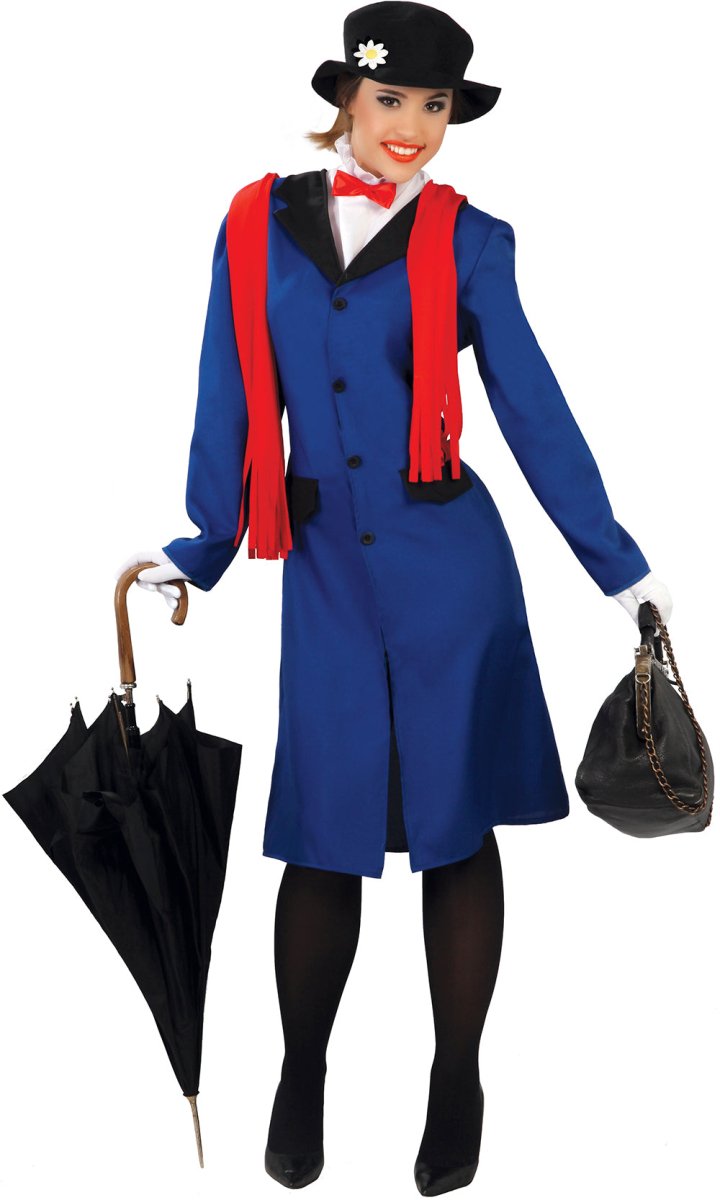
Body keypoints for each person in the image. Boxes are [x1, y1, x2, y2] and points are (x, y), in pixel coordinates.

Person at [116, 3, 673, 1193]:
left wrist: (618, 566)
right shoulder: (255, 226)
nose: (412, 126)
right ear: (346, 101)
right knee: (323, 834)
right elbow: (227, 392)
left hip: (449, 574)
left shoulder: (474, 242)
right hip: (324, 572)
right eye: (391, 100)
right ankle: (301, 1072)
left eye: (435, 105)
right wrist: (200, 548)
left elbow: (533, 409)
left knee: (454, 833)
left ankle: (457, 1077)